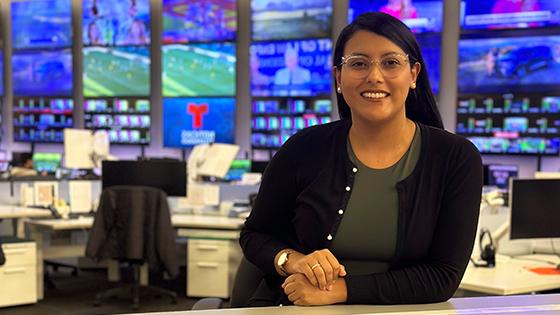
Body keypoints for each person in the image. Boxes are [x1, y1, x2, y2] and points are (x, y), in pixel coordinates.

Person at [240, 12, 483, 306]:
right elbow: (255, 234)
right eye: (358, 63)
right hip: (294, 309)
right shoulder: (303, 148)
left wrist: (340, 291)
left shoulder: (455, 158)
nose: (374, 76)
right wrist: (292, 261)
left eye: (391, 62)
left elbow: (442, 276)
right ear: (339, 78)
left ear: (414, 74)